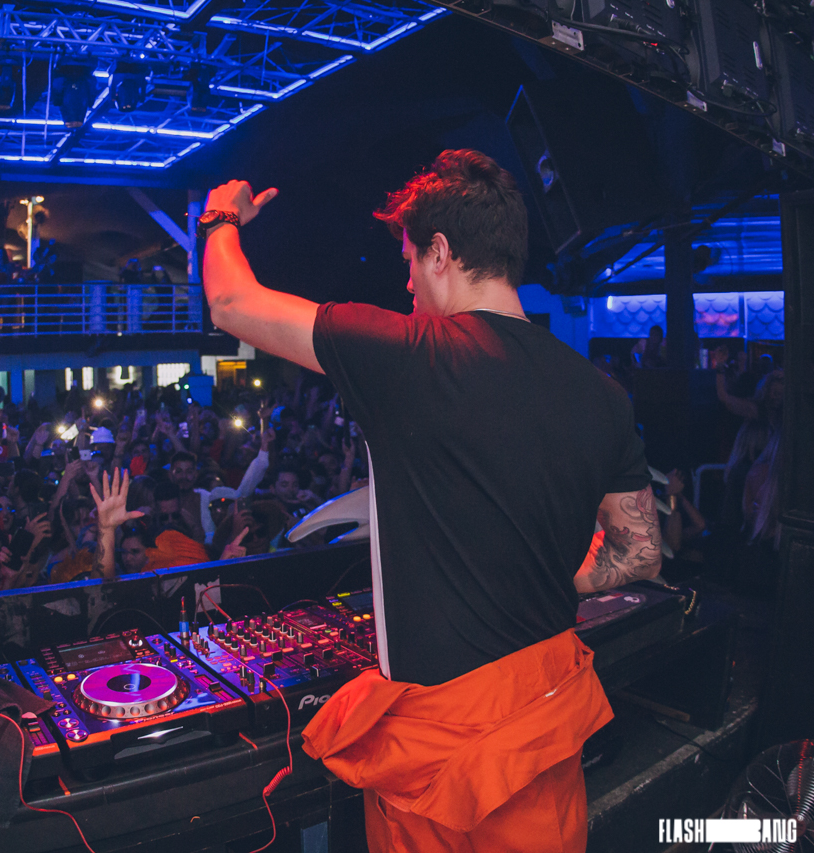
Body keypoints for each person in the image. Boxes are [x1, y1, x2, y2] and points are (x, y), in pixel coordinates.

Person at [200, 150, 662, 853]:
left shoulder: (408, 354)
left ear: (440, 252)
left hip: (442, 753)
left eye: (411, 260)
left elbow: (232, 303)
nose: (407, 279)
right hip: (544, 727)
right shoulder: (601, 394)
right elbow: (640, 552)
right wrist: (544, 575)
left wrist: (221, 216)